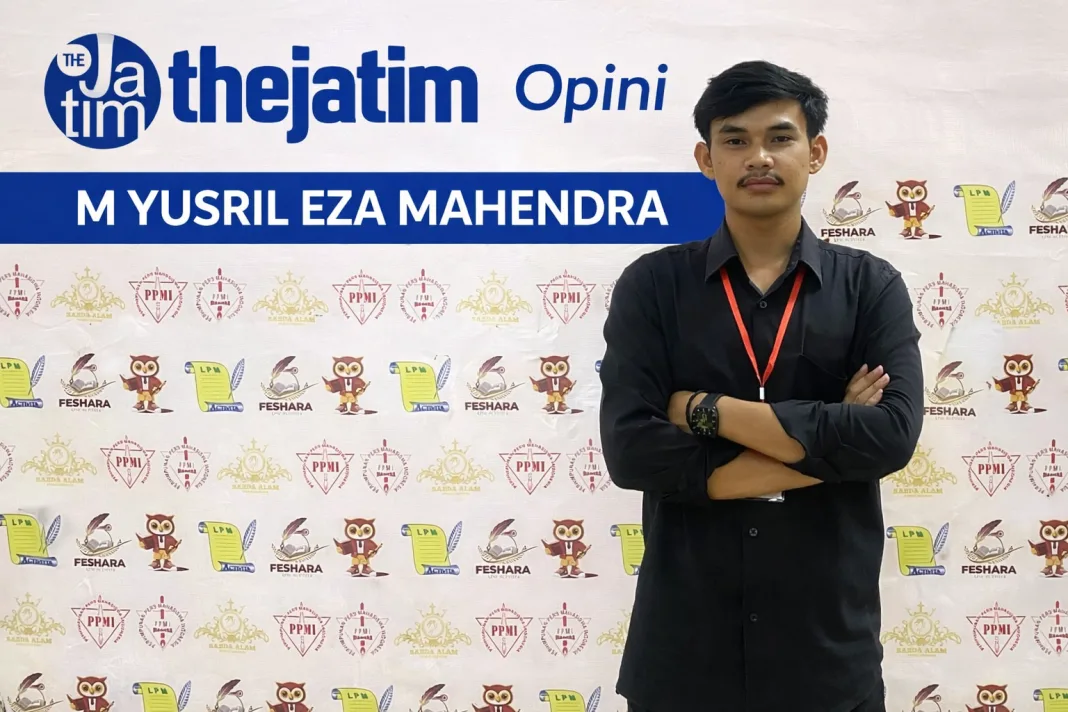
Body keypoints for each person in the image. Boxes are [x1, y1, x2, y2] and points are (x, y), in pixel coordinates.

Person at [598, 60, 923, 712]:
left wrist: (706, 411)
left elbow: (890, 437)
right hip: (685, 657)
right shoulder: (653, 287)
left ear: (816, 152)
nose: (759, 157)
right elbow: (631, 452)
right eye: (735, 140)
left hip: (826, 657)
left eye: (780, 137)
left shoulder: (870, 288)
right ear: (706, 158)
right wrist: (830, 442)